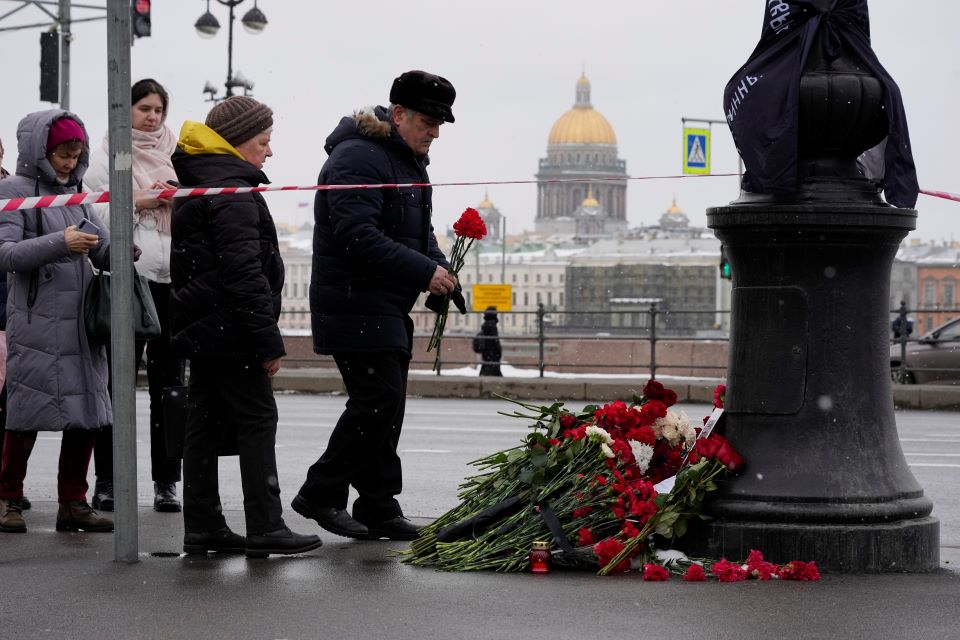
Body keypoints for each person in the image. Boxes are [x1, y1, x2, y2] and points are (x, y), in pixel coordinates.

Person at [292, 70, 463, 541]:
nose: (435, 132)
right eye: (428, 121)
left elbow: (417, 231)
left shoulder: (407, 160)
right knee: (377, 402)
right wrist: (421, 271)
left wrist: (442, 270)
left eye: (440, 124)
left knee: (386, 406)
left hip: (383, 302)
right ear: (400, 114)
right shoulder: (358, 158)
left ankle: (378, 504)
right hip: (353, 300)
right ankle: (321, 493)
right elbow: (357, 236)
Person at [169, 96, 321, 557]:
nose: (269, 152)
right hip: (231, 329)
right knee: (257, 419)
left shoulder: (202, 181)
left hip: (206, 326)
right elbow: (244, 275)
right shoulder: (231, 191)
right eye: (263, 141)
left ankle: (203, 525)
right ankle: (265, 524)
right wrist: (266, 342)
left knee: (203, 424)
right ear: (238, 143)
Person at [0, 111, 113, 534]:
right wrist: (60, 243)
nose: (69, 163)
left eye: (75, 155)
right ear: (40, 151)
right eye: (62, 154)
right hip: (35, 320)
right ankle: (7, 498)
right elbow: (6, 255)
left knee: (86, 413)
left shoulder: (78, 193)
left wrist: (121, 250)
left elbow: (100, 246)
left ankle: (74, 502)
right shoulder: (12, 191)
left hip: (80, 323)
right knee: (24, 415)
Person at [85, 78, 183, 513]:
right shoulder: (109, 154)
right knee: (115, 385)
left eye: (158, 109)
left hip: (170, 279)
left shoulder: (174, 152)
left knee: (170, 388)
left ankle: (167, 482)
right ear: (126, 111)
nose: (152, 117)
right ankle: (108, 479)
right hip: (129, 278)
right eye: (144, 108)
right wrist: (139, 201)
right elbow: (93, 209)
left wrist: (177, 202)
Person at [472, 306, 503, 376]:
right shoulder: (492, 325)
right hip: (492, 354)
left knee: (486, 369)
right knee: (493, 372)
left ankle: (482, 382)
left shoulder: (486, 324)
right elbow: (495, 340)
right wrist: (499, 351)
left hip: (487, 354)